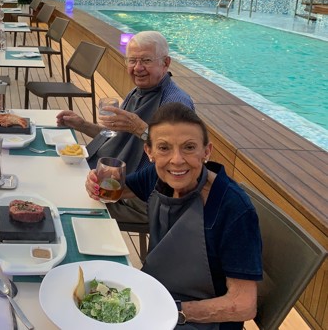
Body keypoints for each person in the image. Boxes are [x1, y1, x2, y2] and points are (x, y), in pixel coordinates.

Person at [85, 103, 262, 329]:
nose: (176, 160)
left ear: (206, 151)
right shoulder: (157, 175)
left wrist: (172, 310)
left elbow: (244, 304)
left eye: (189, 147)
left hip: (198, 320)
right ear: (149, 152)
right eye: (164, 148)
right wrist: (95, 183)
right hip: (152, 294)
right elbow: (116, 189)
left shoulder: (234, 209)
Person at [57, 30, 194, 225]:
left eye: (146, 60)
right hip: (113, 180)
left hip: (146, 199)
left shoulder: (175, 103)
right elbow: (118, 138)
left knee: (66, 200)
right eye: (132, 60)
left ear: (166, 63)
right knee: (59, 178)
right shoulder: (137, 92)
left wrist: (142, 130)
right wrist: (82, 125)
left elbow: (179, 159)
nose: (137, 68)